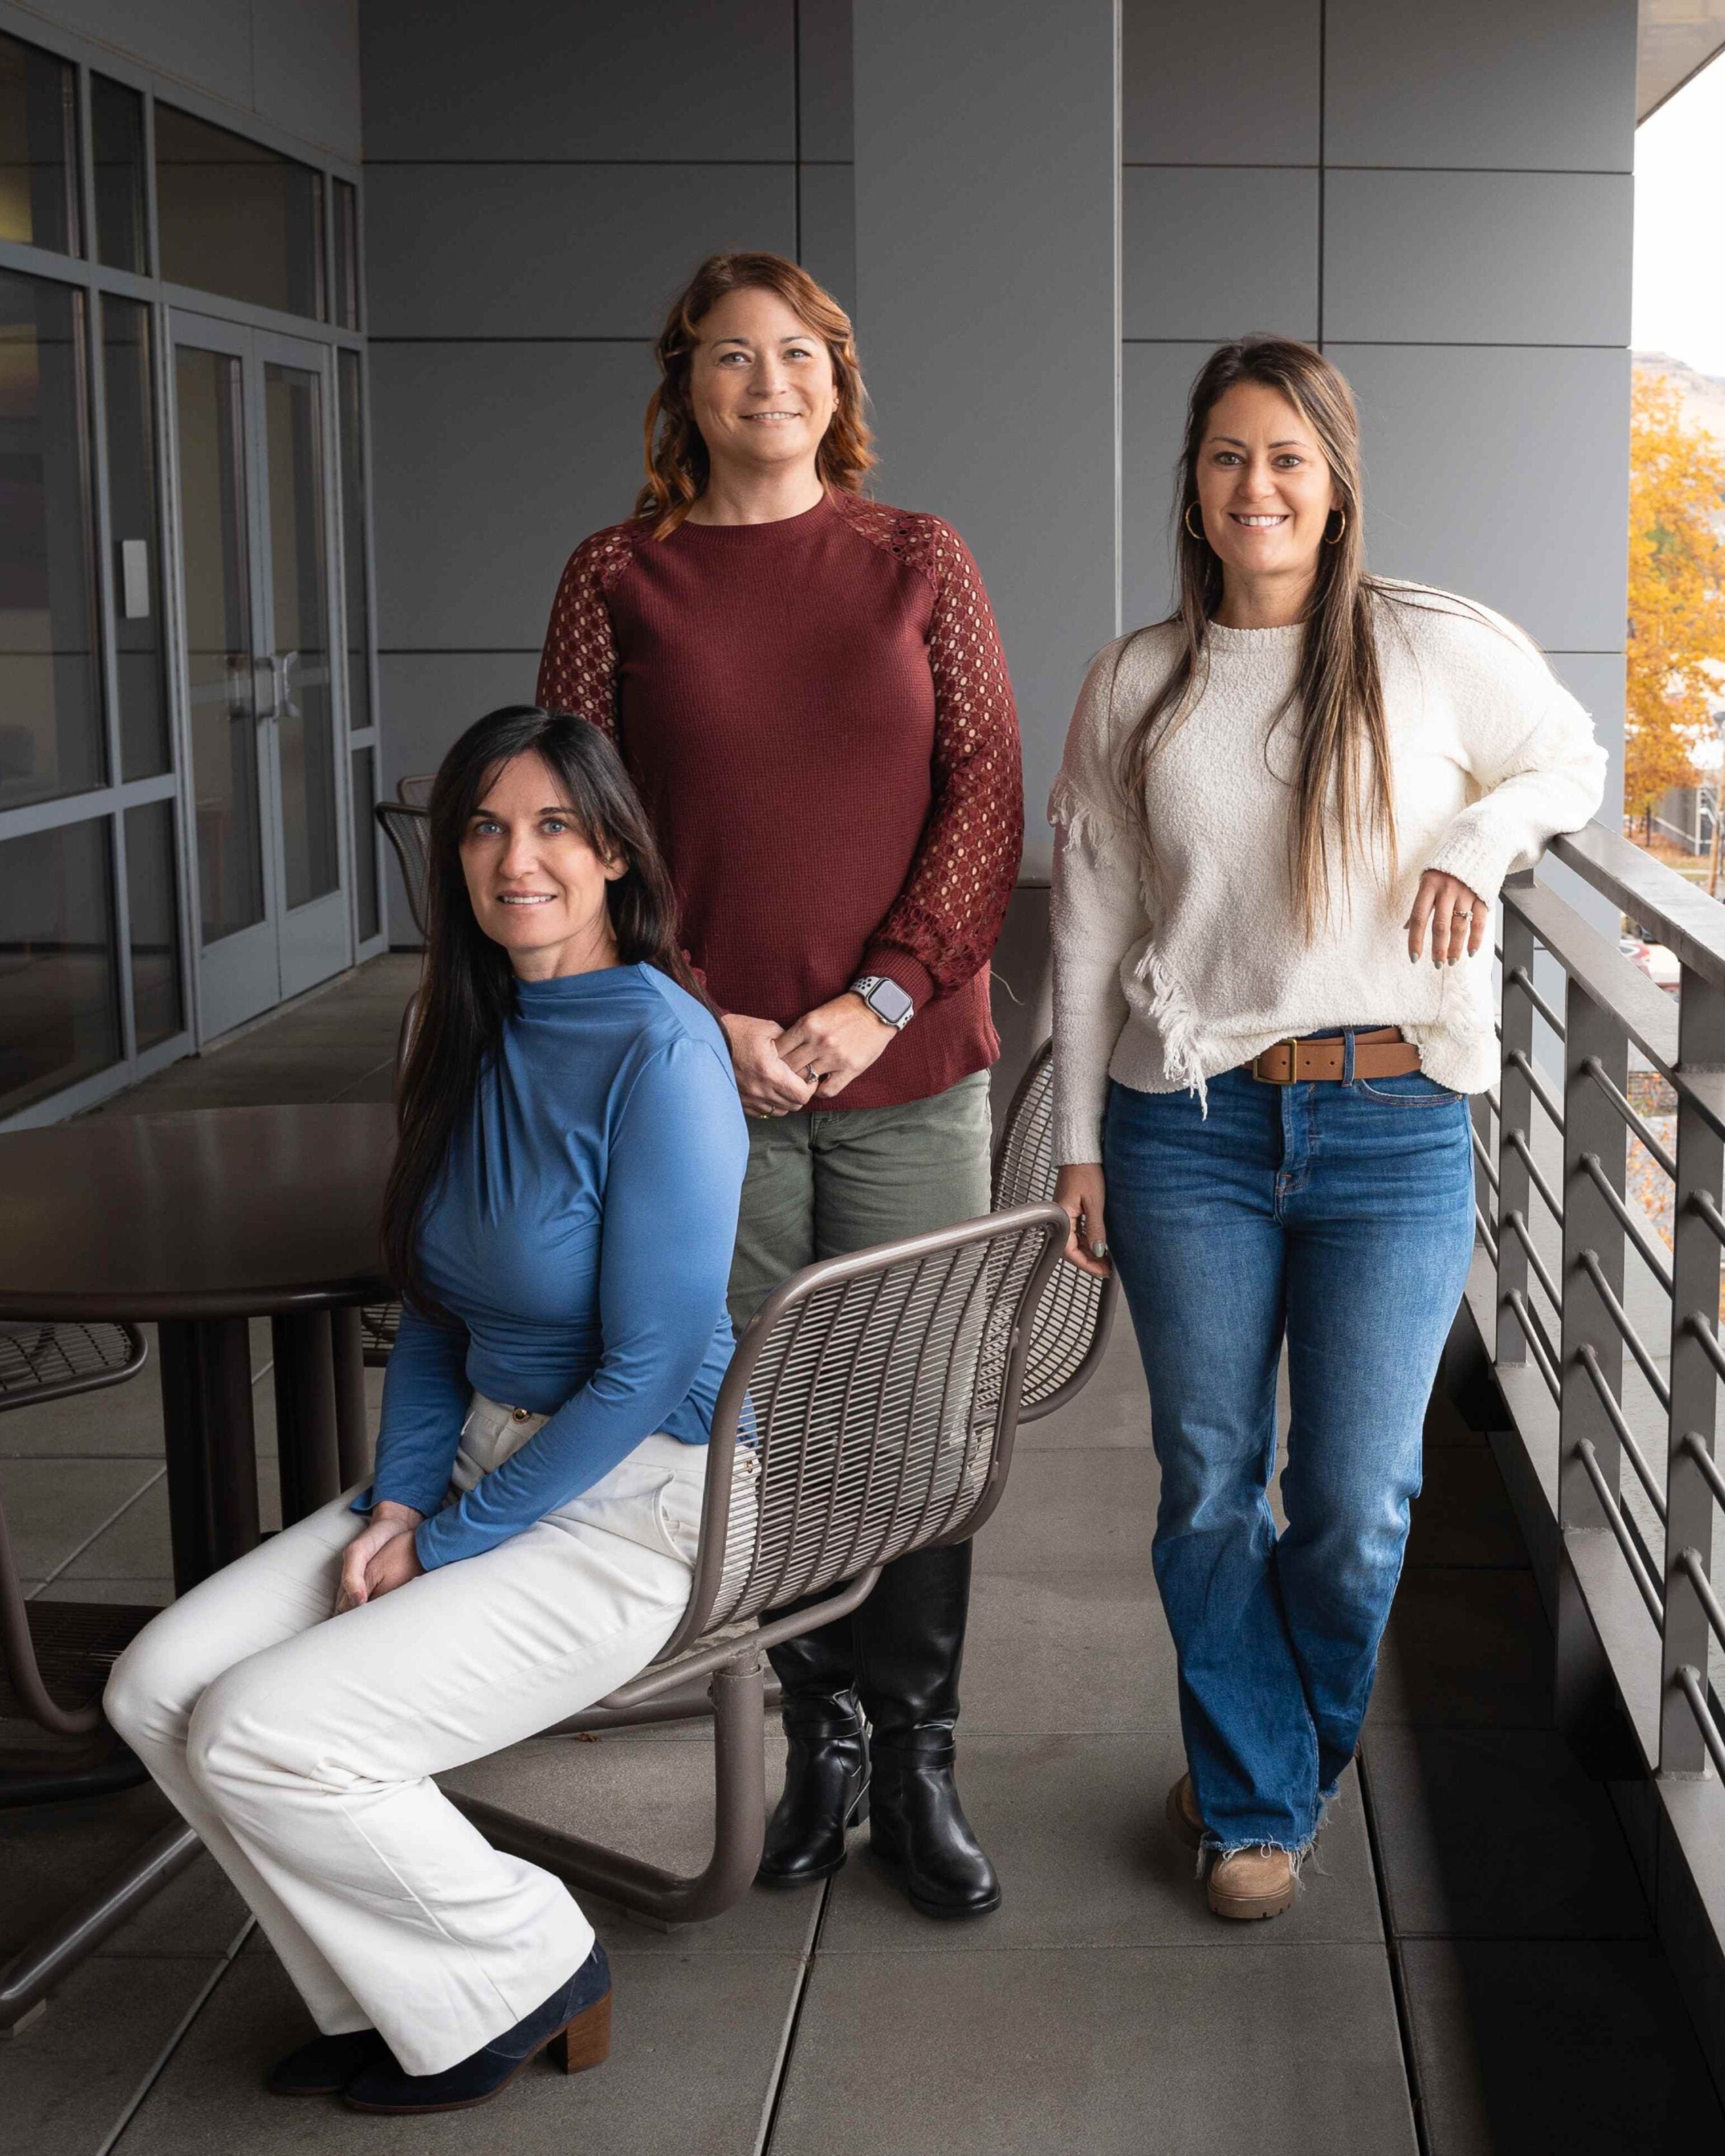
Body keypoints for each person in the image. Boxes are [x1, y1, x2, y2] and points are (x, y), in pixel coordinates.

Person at [105, 707, 743, 2113]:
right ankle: (394, 1990)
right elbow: (441, 1308)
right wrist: (401, 1500)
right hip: (477, 1458)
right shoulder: (452, 1027)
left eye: (556, 826)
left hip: (644, 1492)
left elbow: (648, 1364)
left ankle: (530, 1960)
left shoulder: (667, 1050)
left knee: (266, 1730)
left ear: (618, 854)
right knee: (154, 1689)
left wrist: (444, 1547)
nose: (519, 857)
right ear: (454, 857)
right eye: (484, 826)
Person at [1050, 336, 1605, 1921]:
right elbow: (1088, 930)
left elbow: (1569, 757)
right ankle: (1250, 1805)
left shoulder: (1435, 649)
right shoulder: (1140, 681)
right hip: (1190, 1129)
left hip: (1395, 1124)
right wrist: (1080, 1142)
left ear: (1337, 477)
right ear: (1194, 488)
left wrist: (1485, 841)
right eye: (1226, 456)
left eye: (1287, 455)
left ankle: (1264, 1757)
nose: (1257, 485)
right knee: (1209, 1475)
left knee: (1359, 1501)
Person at [536, 252, 1023, 1918]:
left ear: (839, 375)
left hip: (909, 1066)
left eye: (798, 352)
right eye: (732, 357)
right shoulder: (619, 573)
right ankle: (812, 1737)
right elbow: (575, 830)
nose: (769, 382)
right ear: (685, 384)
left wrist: (880, 996)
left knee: (916, 1414)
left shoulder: (917, 557)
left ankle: (919, 1754)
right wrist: (704, 1012)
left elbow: (985, 796)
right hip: (696, 1077)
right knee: (748, 1416)